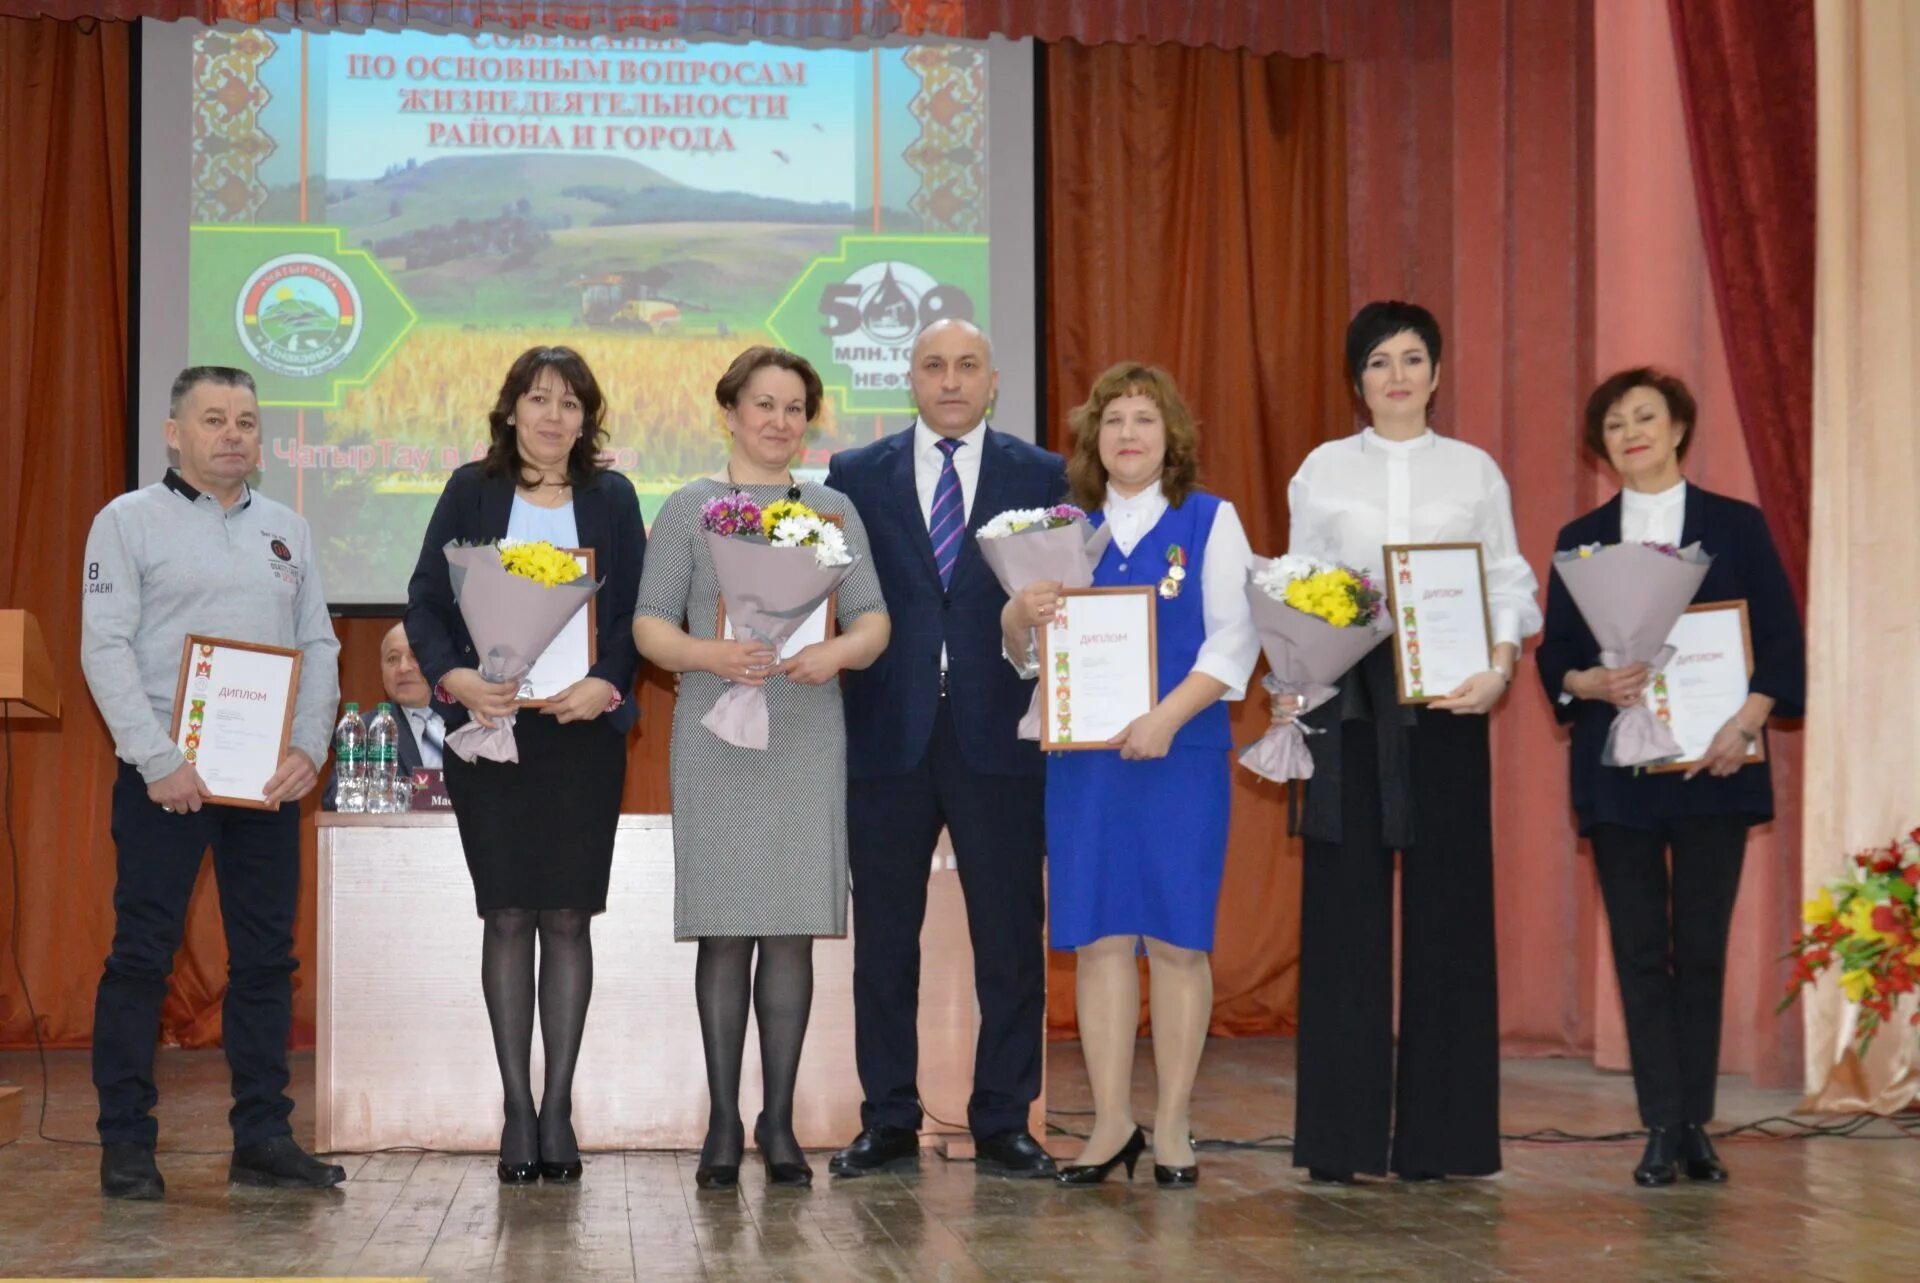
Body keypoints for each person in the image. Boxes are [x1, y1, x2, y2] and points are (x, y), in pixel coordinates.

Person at [1284, 301, 1541, 1183]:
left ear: (1437, 372)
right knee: (1343, 910)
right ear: (1357, 380)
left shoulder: (1475, 470)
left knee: (1450, 910)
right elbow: (1294, 580)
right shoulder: (1323, 468)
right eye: (1379, 361)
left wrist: (1501, 669)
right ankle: (1340, 1140)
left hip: (1450, 694)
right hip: (1347, 699)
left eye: (1413, 358)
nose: (1397, 375)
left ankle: (1447, 1141)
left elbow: (1506, 577)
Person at [80, 366, 344, 1199]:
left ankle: (262, 1135)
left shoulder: (286, 530)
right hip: (165, 779)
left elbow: (323, 648)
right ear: (173, 432)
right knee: (142, 957)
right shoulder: (126, 523)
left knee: (267, 961)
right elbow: (105, 647)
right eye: (215, 419)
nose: (234, 434)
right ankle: (126, 1141)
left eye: (248, 421)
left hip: (265, 783)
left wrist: (308, 747)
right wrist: (158, 759)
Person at [1537, 368, 1804, 1187]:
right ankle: (1661, 1123)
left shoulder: (1737, 525)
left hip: (1715, 765)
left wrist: (1745, 722)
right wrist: (1587, 683)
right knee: (1641, 948)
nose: (1631, 432)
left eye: (1645, 417)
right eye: (1614, 423)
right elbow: (1557, 656)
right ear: (1601, 444)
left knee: (1702, 945)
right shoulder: (1580, 538)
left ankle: (1696, 1123)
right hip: (1622, 771)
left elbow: (1783, 647)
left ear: (1680, 427)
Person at [632, 346, 890, 1190]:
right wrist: (713, 652)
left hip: (806, 722)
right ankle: (720, 1120)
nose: (778, 422)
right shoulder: (688, 510)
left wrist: (840, 654)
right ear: (731, 412)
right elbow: (648, 625)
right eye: (763, 405)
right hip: (714, 725)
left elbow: (873, 618)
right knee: (724, 924)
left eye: (793, 408)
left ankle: (777, 1122)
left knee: (787, 927)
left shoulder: (833, 509)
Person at [1000, 362, 1257, 1187]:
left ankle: (1175, 1123)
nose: (1129, 435)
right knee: (1102, 939)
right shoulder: (1065, 531)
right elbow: (1028, 660)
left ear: (1171, 434)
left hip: (1179, 756)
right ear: (1093, 440)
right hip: (1086, 765)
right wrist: (1018, 617)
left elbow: (1233, 641)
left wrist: (1164, 718)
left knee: (1179, 940)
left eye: (1145, 419)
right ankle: (1111, 1123)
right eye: (1113, 421)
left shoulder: (1212, 521)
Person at [824, 318, 1066, 1180]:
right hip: (888, 737)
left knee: (1009, 937)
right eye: (934, 365)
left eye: (968, 366)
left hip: (998, 736)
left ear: (993, 380)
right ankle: (887, 1118)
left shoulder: (1040, 474)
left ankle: (1003, 1120)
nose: (951, 380)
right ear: (912, 380)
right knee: (885, 942)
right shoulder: (854, 475)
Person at [403, 345, 645, 1184]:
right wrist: (457, 677)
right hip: (490, 731)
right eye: (539, 400)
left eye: (571, 404)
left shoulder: (611, 497)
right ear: (511, 410)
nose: (554, 417)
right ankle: (515, 1105)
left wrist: (607, 684)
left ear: (587, 419)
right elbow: (427, 600)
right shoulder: (471, 490)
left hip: (577, 733)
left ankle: (558, 1107)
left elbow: (635, 615)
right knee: (507, 913)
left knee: (569, 917)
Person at [320, 623, 445, 810]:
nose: (403, 668)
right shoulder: (362, 729)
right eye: (393, 659)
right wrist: (386, 793)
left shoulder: (473, 723)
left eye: (415, 656)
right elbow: (333, 801)